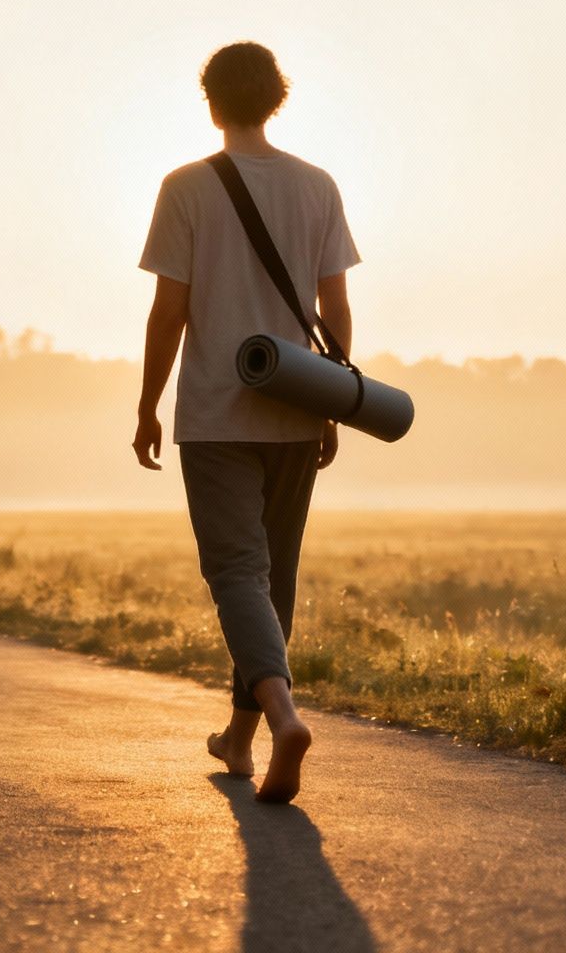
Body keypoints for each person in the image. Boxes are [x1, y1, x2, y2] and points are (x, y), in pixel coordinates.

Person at [133, 41, 360, 804]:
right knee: (275, 578)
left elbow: (170, 310)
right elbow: (336, 311)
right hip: (298, 405)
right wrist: (331, 401)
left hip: (215, 414)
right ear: (277, 98)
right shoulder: (317, 187)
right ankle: (239, 740)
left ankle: (284, 716)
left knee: (237, 573)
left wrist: (147, 405)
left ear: (210, 100)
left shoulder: (185, 188)